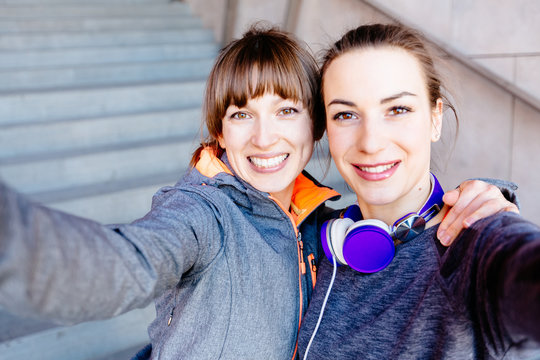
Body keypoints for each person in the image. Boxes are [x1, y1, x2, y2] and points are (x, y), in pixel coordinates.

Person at [0, 26, 518, 360]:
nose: (265, 138)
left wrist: (494, 216)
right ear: (218, 133)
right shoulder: (202, 215)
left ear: (311, 128)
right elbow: (116, 265)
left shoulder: (324, 229)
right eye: (241, 114)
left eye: (286, 111)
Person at [298, 23, 540, 359]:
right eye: (346, 114)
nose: (371, 142)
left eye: (397, 109)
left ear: (435, 118)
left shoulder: (474, 240)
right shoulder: (314, 243)